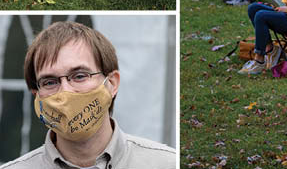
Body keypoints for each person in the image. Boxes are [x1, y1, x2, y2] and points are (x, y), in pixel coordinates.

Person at [0, 21, 175, 168]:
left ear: (112, 83)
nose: (66, 91)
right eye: (50, 82)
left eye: (80, 76)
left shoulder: (166, 164)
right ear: (36, 95)